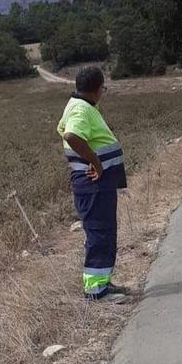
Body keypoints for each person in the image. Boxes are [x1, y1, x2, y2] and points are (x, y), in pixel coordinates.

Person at [57, 67, 130, 302]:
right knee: (99, 232)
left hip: (98, 183)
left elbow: (62, 130)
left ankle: (103, 282)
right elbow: (70, 135)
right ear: (98, 89)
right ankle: (96, 291)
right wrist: (95, 162)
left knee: (105, 231)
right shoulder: (80, 109)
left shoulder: (78, 104)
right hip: (92, 182)